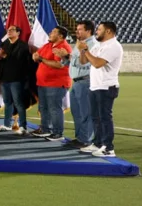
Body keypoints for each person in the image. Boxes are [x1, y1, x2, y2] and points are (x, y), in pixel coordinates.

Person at [77, 22, 123, 158]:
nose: (96, 31)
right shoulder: (99, 45)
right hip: (95, 85)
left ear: (108, 31)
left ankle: (108, 148)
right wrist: (82, 50)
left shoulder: (113, 46)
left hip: (106, 86)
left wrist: (86, 50)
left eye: (99, 29)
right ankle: (97, 143)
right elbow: (83, 62)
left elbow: (97, 64)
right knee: (95, 118)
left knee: (105, 118)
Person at [55, 21, 97, 148]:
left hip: (86, 81)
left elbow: (84, 63)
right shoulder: (80, 43)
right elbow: (73, 61)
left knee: (85, 113)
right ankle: (80, 138)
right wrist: (64, 58)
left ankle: (86, 140)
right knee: (77, 112)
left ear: (88, 31)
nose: (76, 31)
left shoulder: (93, 44)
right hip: (77, 82)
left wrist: (68, 56)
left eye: (80, 29)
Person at [31, 26, 72, 141]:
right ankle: (45, 129)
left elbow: (59, 65)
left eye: (53, 32)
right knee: (44, 107)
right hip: (43, 83)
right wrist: (35, 56)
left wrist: (41, 59)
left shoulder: (64, 47)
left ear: (60, 36)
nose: (50, 33)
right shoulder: (48, 45)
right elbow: (37, 55)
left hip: (56, 83)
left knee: (54, 109)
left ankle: (58, 133)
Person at [0, 25, 32, 134]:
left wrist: (4, 56)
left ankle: (23, 126)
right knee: (7, 102)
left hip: (17, 79)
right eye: (8, 30)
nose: (9, 31)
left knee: (18, 102)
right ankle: (7, 125)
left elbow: (20, 61)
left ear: (18, 33)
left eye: (12, 30)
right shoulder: (4, 44)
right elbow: (1, 61)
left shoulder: (23, 45)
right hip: (5, 78)